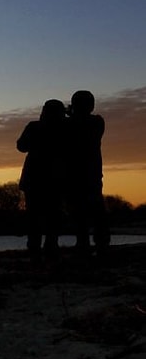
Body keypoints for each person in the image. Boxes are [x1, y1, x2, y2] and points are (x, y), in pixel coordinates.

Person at [16, 99, 68, 263]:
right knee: (53, 215)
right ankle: (50, 247)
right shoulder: (66, 128)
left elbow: (21, 146)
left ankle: (35, 250)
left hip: (35, 179)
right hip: (55, 178)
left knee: (34, 217)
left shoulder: (34, 127)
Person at [66, 90, 108, 259]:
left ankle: (84, 245)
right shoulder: (97, 122)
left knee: (80, 213)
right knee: (96, 212)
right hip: (92, 173)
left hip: (76, 174)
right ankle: (101, 245)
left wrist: (70, 114)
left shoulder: (69, 124)